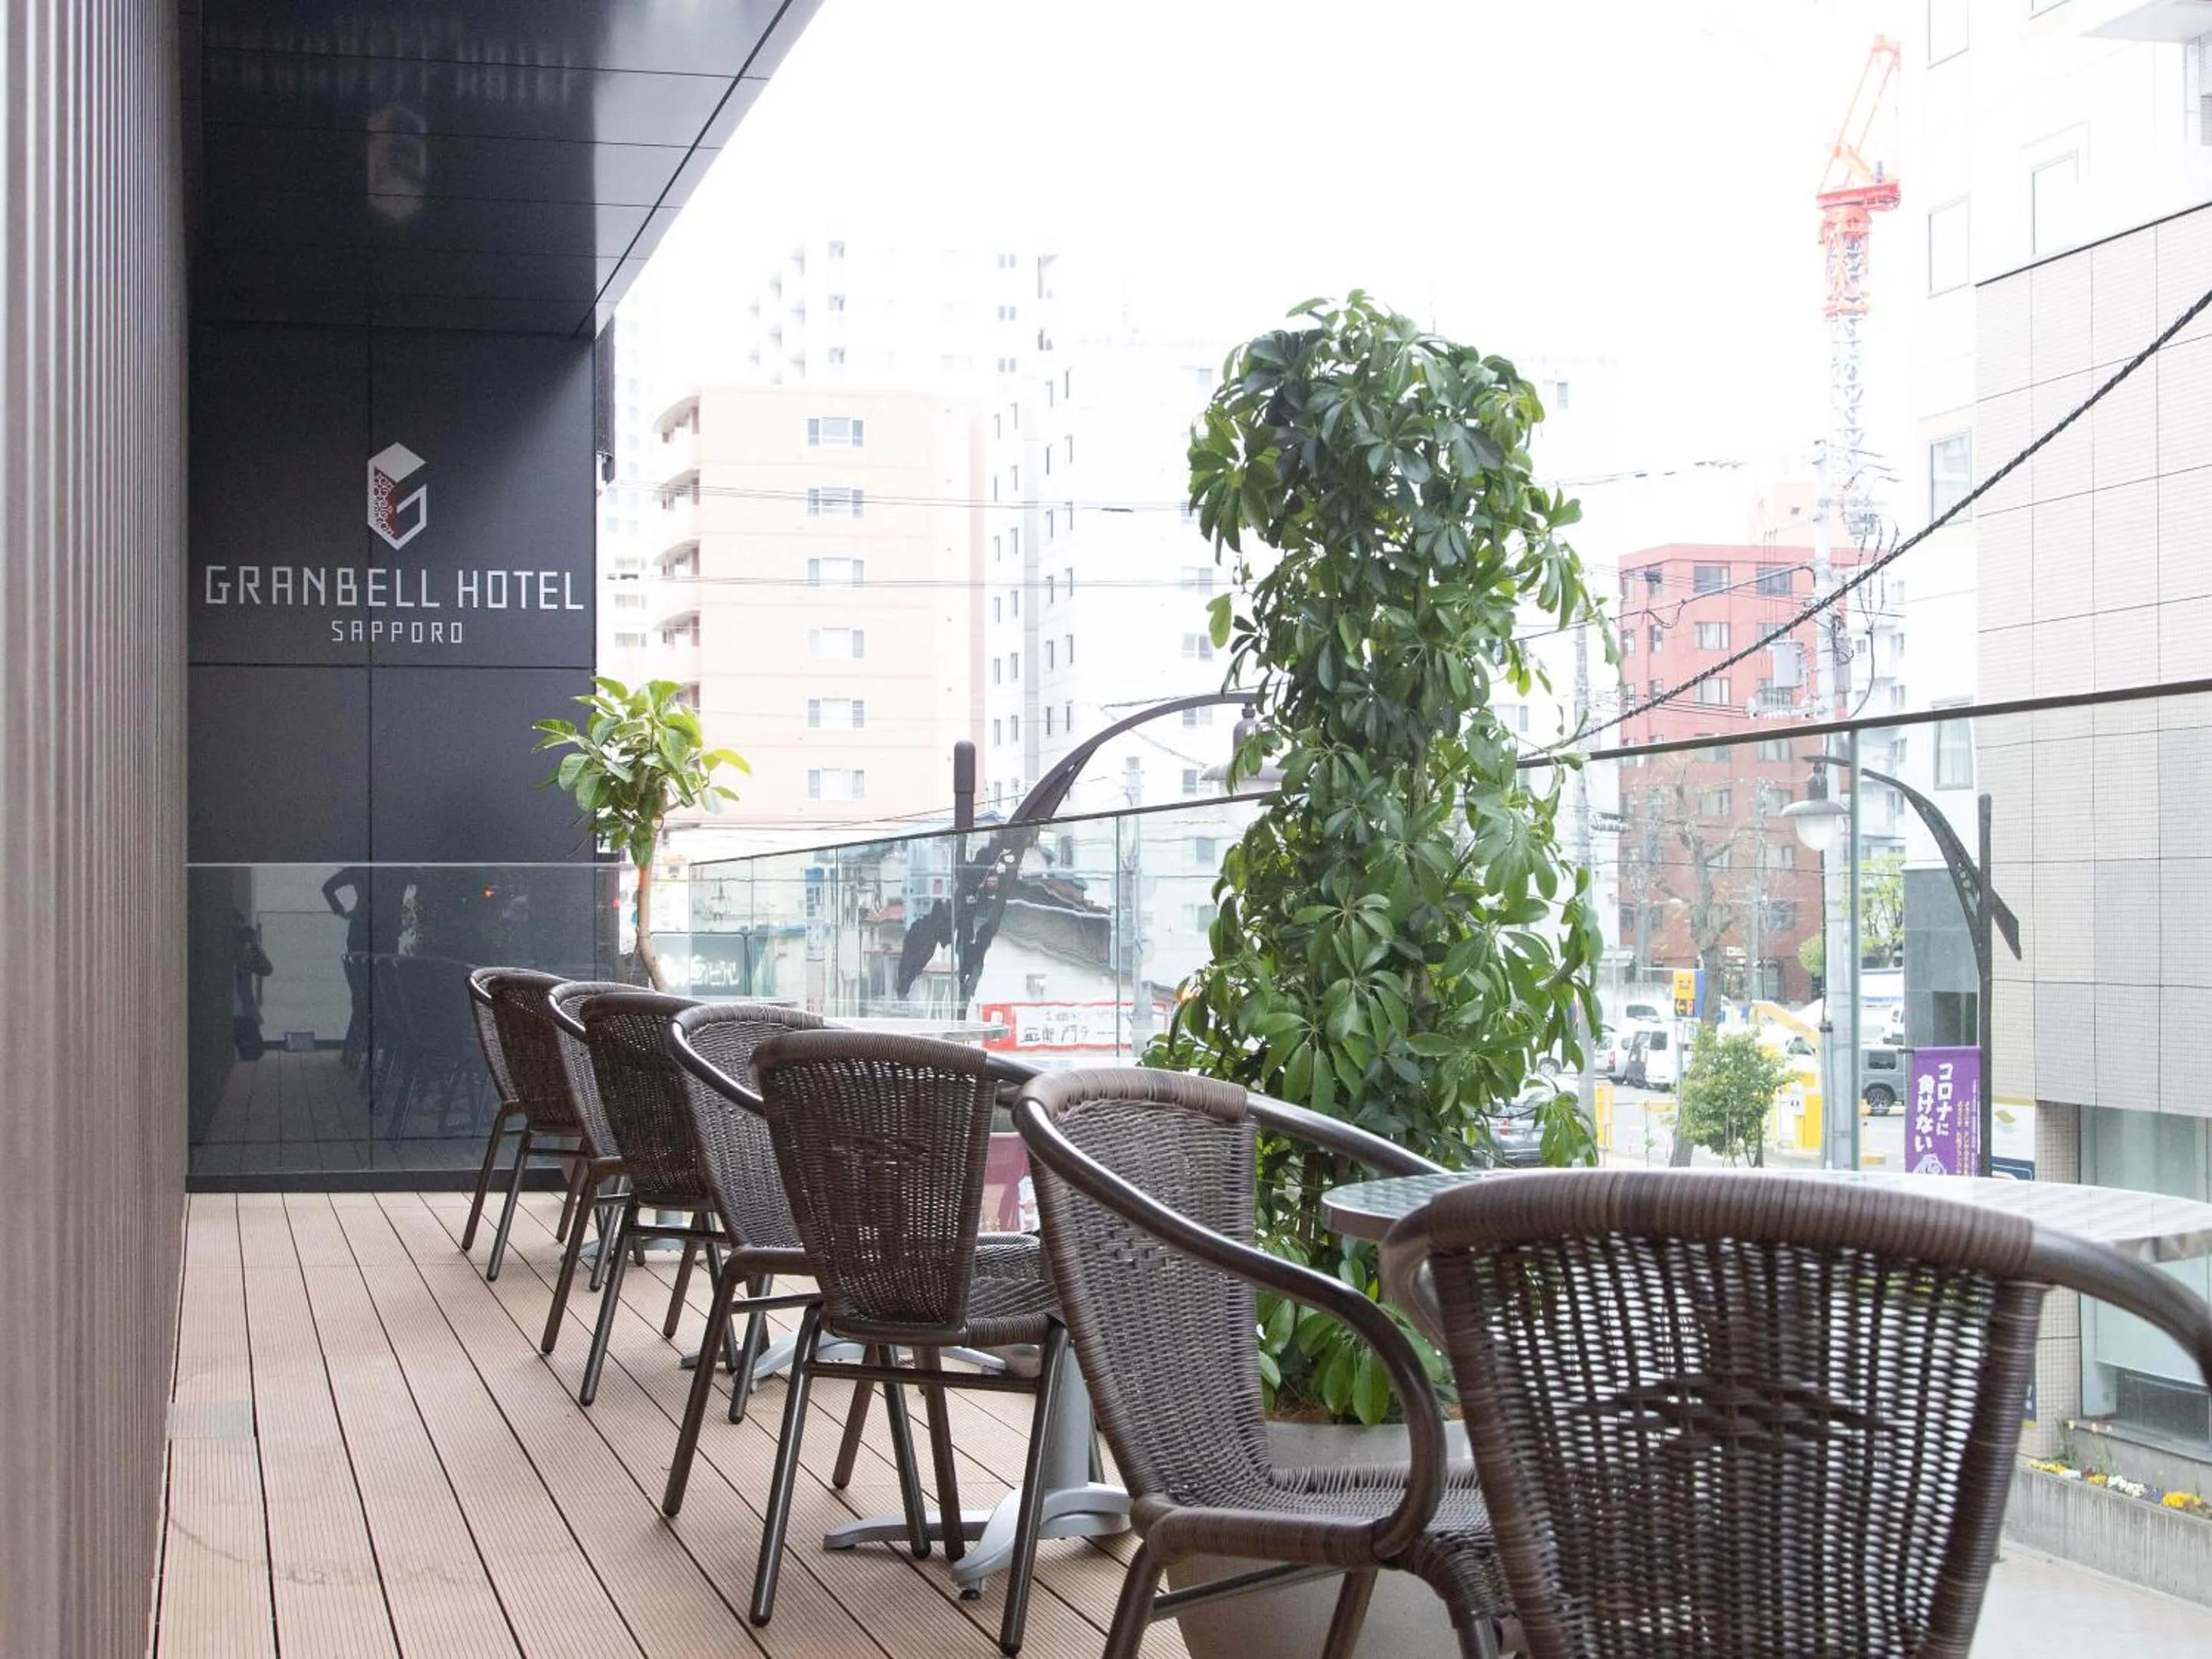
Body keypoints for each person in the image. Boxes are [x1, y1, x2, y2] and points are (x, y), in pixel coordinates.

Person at [233, 910, 273, 1061]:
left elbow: (266, 969)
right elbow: (266, 969)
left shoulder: (245, 955)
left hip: (244, 1009)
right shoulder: (240, 954)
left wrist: (255, 947)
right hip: (241, 1010)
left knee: (253, 1052)